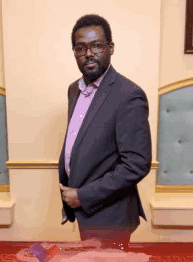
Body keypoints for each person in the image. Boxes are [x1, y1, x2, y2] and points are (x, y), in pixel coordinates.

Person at [58, 14, 152, 250]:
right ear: (74, 52)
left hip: (111, 215)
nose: (88, 53)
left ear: (110, 48)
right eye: (81, 48)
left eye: (96, 45)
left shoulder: (129, 94)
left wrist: (83, 196)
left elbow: (137, 164)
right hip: (83, 210)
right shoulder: (74, 90)